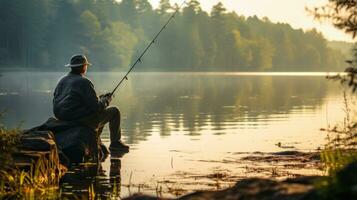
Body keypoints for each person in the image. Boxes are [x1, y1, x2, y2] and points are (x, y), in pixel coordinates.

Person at [53, 54, 129, 152]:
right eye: (86, 66)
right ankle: (115, 143)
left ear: (71, 67)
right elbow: (97, 107)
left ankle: (97, 142)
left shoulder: (62, 80)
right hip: (77, 120)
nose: (86, 67)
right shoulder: (84, 82)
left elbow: (70, 100)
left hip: (62, 117)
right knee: (114, 111)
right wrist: (107, 100)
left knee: (98, 110)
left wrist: (100, 98)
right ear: (83, 67)